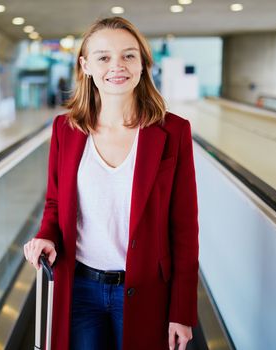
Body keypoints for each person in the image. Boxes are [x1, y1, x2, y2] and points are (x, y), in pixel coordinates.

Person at [23, 16, 198, 350]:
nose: (117, 65)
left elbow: (185, 229)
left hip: (146, 291)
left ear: (144, 64)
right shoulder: (66, 129)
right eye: (103, 57)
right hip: (80, 288)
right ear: (86, 65)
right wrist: (46, 235)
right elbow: (55, 202)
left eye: (129, 55)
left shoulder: (173, 132)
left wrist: (182, 310)